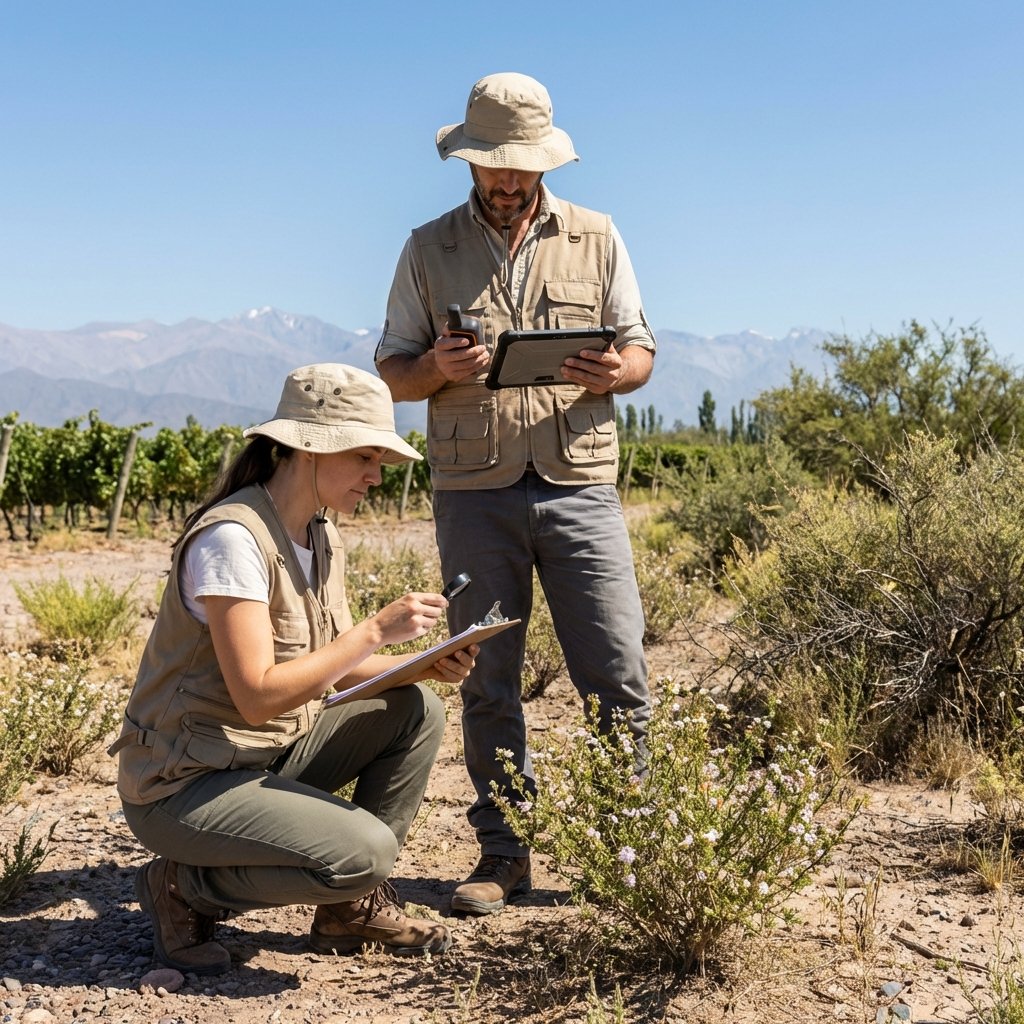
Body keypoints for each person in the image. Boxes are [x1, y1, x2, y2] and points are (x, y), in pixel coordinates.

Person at [375, 72, 656, 916]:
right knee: (486, 677)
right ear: (469, 161)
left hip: (580, 487)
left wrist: (618, 371)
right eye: (494, 165)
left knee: (617, 672)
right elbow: (393, 369)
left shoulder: (598, 236)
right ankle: (504, 853)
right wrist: (436, 370)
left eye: (521, 165)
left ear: (544, 162)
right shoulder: (428, 248)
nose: (507, 180)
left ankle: (625, 853)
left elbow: (640, 350)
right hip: (474, 493)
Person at [110, 363, 477, 974]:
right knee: (365, 851)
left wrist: (420, 666)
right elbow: (256, 696)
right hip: (184, 783)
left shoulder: (319, 534)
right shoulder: (232, 541)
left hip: (264, 752)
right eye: (365, 456)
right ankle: (181, 888)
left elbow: (325, 671)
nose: (375, 476)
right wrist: (374, 632)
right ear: (311, 447)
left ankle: (345, 909)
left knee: (416, 710)